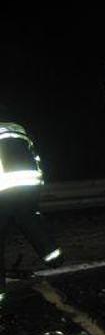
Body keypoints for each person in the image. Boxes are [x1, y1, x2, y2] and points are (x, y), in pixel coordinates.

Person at [0, 116, 63, 299]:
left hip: (3, 188)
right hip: (29, 184)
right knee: (28, 218)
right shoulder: (16, 127)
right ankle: (54, 257)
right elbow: (35, 156)